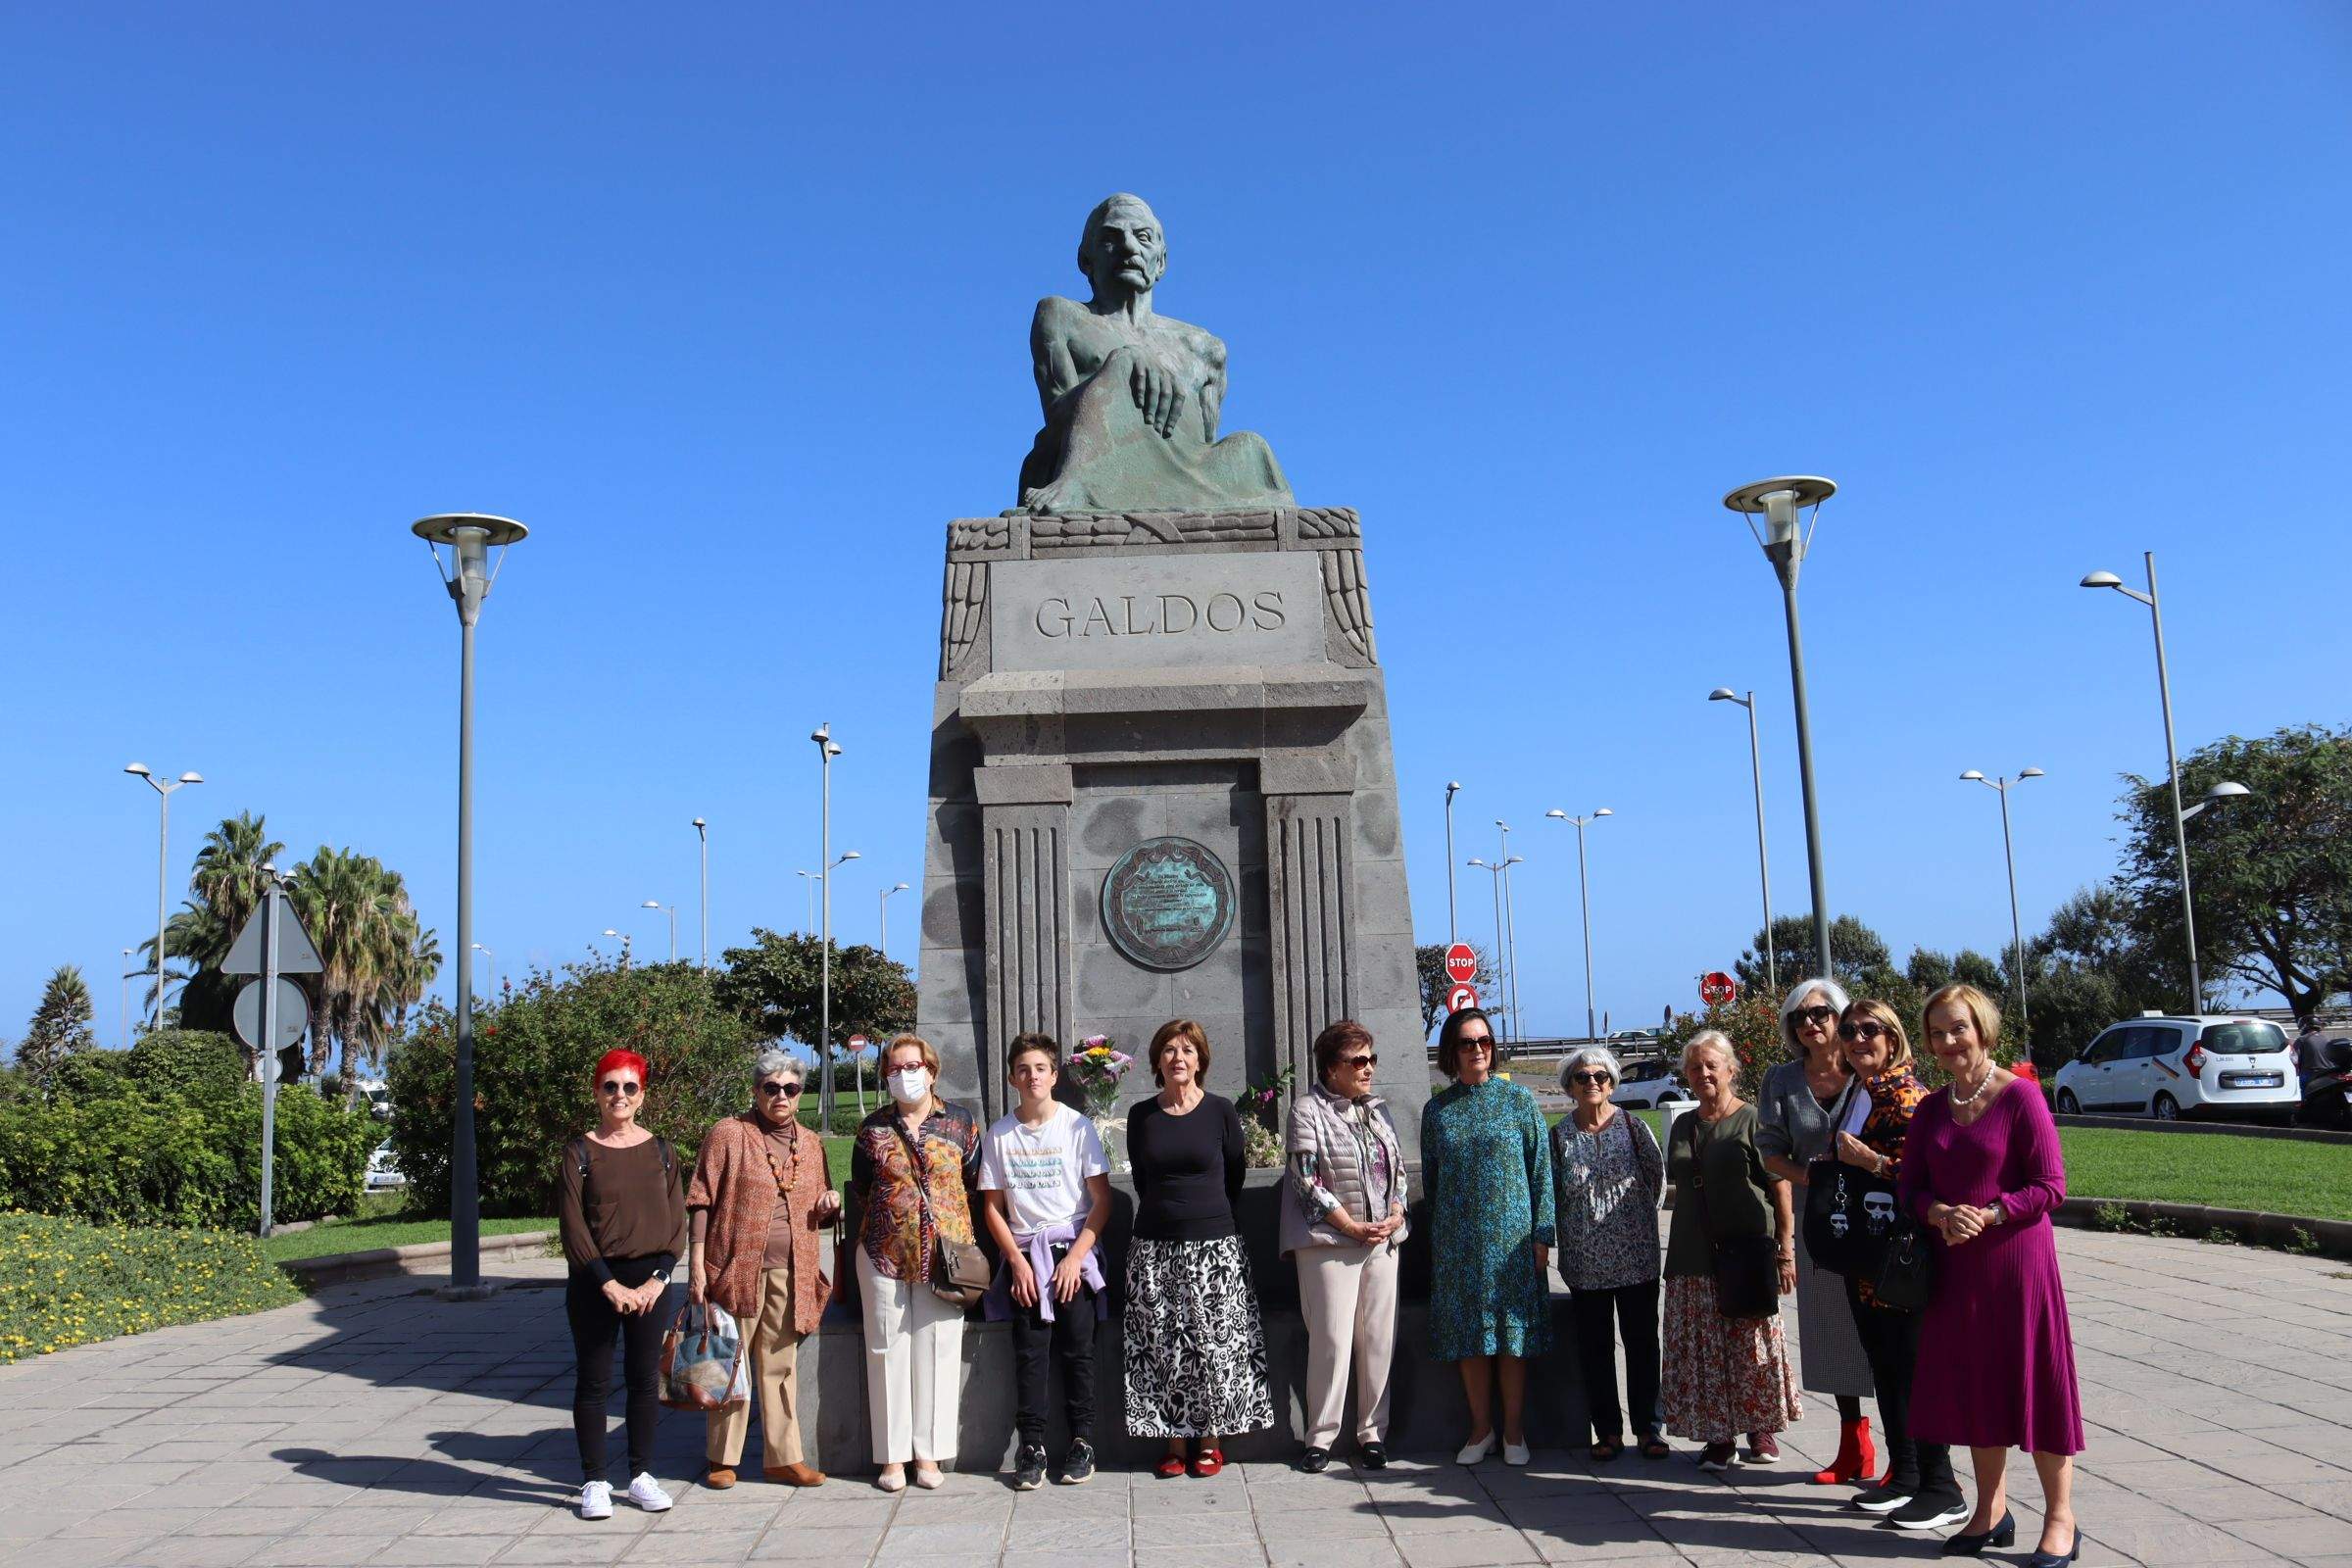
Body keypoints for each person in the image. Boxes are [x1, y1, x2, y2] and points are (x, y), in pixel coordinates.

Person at [1900, 984, 2085, 1565]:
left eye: (1958, 1028)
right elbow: (1910, 1188)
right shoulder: (1931, 1107)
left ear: (1982, 1028)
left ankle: (2061, 1518)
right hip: (1956, 1273)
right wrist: (1938, 1213)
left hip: (2017, 1269)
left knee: (2038, 1386)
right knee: (1978, 1390)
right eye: (1937, 1032)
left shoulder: (2021, 1098)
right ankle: (1991, 1511)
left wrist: (1992, 1211)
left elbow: (2052, 1185)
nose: (1948, 1041)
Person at [1017, 193, 1294, 514]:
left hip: (1183, 472)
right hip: (1096, 462)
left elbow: (1204, 445)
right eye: (1110, 238)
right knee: (1124, 361)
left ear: (1160, 261)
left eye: (1143, 238)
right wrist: (1124, 364)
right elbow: (1056, 420)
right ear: (1085, 259)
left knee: (1251, 447)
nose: (1129, 248)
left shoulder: (1204, 347)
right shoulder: (1062, 316)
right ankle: (1078, 487)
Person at [1829, 999, 1960, 1529]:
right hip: (1866, 1251)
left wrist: (1872, 1161)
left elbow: (1928, 1175)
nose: (1858, 1039)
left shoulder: (1907, 1095)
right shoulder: (1860, 1091)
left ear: (1894, 1036)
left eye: (1869, 1030)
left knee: (1911, 1368)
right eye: (1849, 1031)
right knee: (1884, 1365)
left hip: (1901, 1254)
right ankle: (1905, 1474)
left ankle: (1942, 1485)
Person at [1123, 1018, 1273, 1478]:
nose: (1178, 1058)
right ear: (1157, 1062)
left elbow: (1234, 1177)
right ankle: (1173, 1441)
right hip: (1154, 1248)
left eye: (1187, 1050)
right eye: (1169, 1050)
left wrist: (1205, 1217)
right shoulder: (1141, 1115)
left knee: (1214, 1345)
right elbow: (1142, 1181)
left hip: (1214, 1249)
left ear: (1201, 1060)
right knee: (1164, 1344)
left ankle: (1210, 1439)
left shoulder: (1221, 1111)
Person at [685, 1050, 840, 1490]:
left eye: (790, 1089)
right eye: (771, 1088)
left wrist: (829, 1204)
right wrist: (696, 1263)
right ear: (755, 1091)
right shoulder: (728, 1134)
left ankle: (783, 1458)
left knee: (779, 1365)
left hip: (791, 1272)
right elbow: (701, 1199)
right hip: (736, 1268)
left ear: (800, 1095)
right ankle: (722, 1459)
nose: (781, 1096)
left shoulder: (810, 1143)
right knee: (730, 1360)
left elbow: (818, 1202)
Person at [1754, 978, 1878, 1485]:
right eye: (1800, 1017)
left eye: (1822, 1013)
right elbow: (1770, 1150)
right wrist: (1818, 1178)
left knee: (1884, 1332)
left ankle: (1912, 1458)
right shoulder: (1781, 1080)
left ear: (1842, 1018)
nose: (1811, 1022)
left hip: (1875, 1219)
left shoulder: (1868, 1071)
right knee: (1831, 1332)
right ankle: (1854, 1444)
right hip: (1817, 1222)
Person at [1659, 1031, 1800, 1472]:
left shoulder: (1753, 1120)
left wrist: (1785, 1250)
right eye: (1695, 1066)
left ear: (1731, 1070)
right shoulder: (1684, 1125)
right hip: (1692, 1252)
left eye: (1711, 1065)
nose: (1703, 1073)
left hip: (1747, 1249)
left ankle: (1760, 1429)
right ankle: (1719, 1437)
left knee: (1750, 1344)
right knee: (1704, 1348)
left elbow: (1780, 1187)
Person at [556, 1048, 688, 1520]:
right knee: (593, 1382)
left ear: (642, 1096)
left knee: (642, 1381)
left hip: (651, 1281)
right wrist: (608, 1285)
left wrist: (658, 1280)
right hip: (595, 1282)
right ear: (596, 1092)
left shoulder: (662, 1151)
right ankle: (594, 1480)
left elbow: (678, 1228)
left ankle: (641, 1475)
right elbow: (573, 1226)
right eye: (610, 1086)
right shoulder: (580, 1152)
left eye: (629, 1087)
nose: (620, 1095)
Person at [978, 1033, 1113, 1491]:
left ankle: (1083, 1441)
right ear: (1013, 1077)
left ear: (1054, 1075)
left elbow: (1101, 1201)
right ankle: (1031, 1445)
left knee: (1079, 1351)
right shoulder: (999, 1134)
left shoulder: (1078, 1127)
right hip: (1025, 1257)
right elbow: (993, 1207)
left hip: (1072, 1251)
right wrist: (1015, 1262)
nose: (1032, 1076)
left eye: (1040, 1068)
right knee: (1030, 1353)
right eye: (1023, 1069)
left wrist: (1076, 1258)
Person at [849, 1033, 982, 1493]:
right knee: (886, 1350)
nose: (904, 1075)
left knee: (939, 1349)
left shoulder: (961, 1123)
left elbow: (972, 1180)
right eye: (894, 1068)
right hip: (885, 1252)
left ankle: (929, 1454)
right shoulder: (872, 1129)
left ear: (931, 1070)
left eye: (912, 1066)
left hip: (946, 1256)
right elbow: (863, 1188)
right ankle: (892, 1457)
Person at [1421, 1007, 1553, 1466]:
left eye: (1484, 1041)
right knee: (1469, 1338)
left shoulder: (1520, 1102)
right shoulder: (1437, 1111)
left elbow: (1541, 1172)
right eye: (1466, 1043)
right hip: (1458, 1244)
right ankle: (1481, 1430)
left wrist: (1543, 1234)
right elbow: (1433, 1181)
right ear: (1451, 1052)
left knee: (1511, 1339)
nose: (1477, 1050)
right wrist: (1441, 1239)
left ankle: (1514, 1431)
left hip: (1512, 1242)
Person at [1280, 1019, 1410, 1473]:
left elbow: (1398, 1171)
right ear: (1331, 1068)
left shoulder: (1378, 1109)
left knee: (1377, 1339)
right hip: (1329, 1243)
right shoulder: (1306, 1110)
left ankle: (1373, 1433)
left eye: (1371, 1058)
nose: (1368, 1068)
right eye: (1358, 1060)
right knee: (1332, 1340)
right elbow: (1305, 1180)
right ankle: (1321, 1437)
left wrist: (1396, 1212)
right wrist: (1351, 1226)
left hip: (1382, 1242)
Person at [1547, 1045, 1666, 1462]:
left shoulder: (1633, 1127)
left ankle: (1649, 1428)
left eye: (1600, 1076)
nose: (1592, 1083)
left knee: (1641, 1344)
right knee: (1595, 1348)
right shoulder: (1559, 1136)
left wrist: (1630, 1225)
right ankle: (1608, 1431)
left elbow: (1656, 1180)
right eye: (1583, 1077)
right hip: (1585, 1263)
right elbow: (1552, 1194)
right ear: (1570, 1087)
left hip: (1637, 1258)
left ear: (1613, 1083)